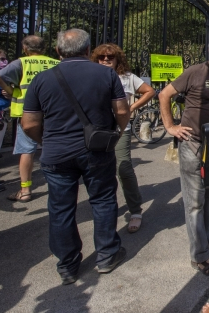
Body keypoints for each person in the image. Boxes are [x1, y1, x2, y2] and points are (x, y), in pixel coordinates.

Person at [21, 29, 130, 285]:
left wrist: (45, 140)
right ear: (86, 49)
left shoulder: (42, 79)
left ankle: (68, 265)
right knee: (103, 200)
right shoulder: (105, 74)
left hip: (56, 152)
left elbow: (28, 124)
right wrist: (117, 131)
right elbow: (122, 110)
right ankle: (106, 255)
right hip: (96, 149)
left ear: (58, 51)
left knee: (60, 208)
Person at [158, 31, 209, 276]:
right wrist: (170, 127)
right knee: (195, 202)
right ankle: (199, 256)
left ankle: (208, 240)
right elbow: (164, 94)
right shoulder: (195, 72)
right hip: (192, 143)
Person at [91, 43, 155, 233]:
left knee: (124, 169)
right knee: (98, 172)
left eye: (110, 57)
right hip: (95, 131)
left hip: (120, 130)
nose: (106, 60)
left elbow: (150, 91)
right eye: (102, 57)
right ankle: (105, 210)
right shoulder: (91, 76)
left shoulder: (127, 78)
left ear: (117, 59)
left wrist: (131, 108)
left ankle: (135, 211)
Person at [0, 36, 60, 202]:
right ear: (45, 47)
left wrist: (9, 90)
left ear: (25, 48)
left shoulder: (21, 63)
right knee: (55, 146)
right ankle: (59, 185)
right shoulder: (55, 63)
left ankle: (25, 189)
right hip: (53, 112)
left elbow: (0, 76)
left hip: (27, 113)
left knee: (27, 151)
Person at [0, 49, 10, 161]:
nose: (4, 62)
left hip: (3, 109)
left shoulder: (6, 74)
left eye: (4, 59)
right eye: (1, 59)